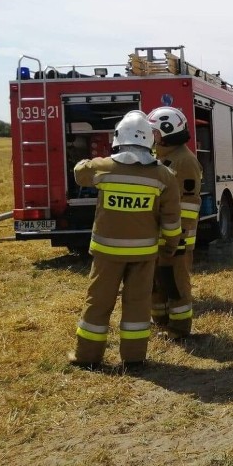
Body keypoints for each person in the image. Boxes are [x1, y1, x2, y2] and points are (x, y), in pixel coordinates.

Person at [70, 111, 182, 369]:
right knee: (138, 305)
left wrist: (95, 159)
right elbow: (172, 220)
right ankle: (133, 358)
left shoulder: (103, 168)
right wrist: (170, 247)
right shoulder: (163, 176)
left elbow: (79, 172)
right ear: (150, 141)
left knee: (97, 302)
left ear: (118, 137)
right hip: (144, 255)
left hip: (107, 254)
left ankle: (87, 356)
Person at [147, 106, 203, 338]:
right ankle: (160, 321)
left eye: (155, 132)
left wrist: (178, 236)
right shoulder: (161, 156)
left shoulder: (184, 161)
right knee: (157, 281)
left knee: (175, 282)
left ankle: (179, 328)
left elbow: (189, 204)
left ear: (168, 131)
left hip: (177, 237)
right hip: (159, 234)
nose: (151, 136)